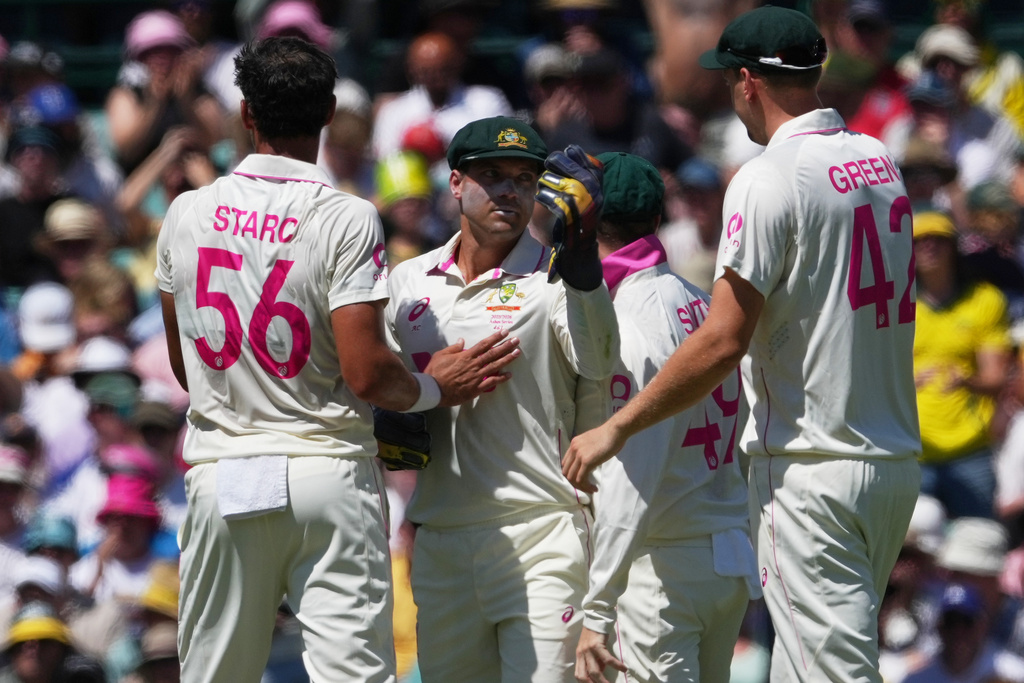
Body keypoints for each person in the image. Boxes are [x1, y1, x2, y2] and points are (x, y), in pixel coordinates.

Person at [562, 7, 922, 683]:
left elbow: (725, 339)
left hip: (811, 467)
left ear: (748, 80)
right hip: (891, 459)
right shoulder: (878, 159)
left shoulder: (764, 177)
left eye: (731, 81)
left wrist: (618, 425)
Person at [156, 37, 521, 683]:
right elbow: (368, 374)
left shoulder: (186, 213)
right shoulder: (347, 216)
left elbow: (188, 367)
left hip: (224, 473)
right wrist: (435, 386)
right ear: (328, 111)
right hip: (328, 471)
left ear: (246, 113)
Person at [384, 115, 619, 682]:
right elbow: (374, 398)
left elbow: (599, 361)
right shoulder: (407, 283)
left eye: (523, 177)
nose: (509, 190)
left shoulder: (557, 280)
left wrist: (582, 250)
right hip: (440, 538)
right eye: (492, 175)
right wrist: (427, 388)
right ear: (457, 183)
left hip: (540, 532)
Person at [571, 152, 759, 683]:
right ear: (656, 221)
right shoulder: (701, 303)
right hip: (722, 559)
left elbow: (636, 477)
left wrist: (598, 609)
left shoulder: (629, 322)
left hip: (662, 571)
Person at [912, 211, 1012, 519]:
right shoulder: (895, 307)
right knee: (909, 557)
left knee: (977, 544)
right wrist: (908, 380)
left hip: (969, 449)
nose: (929, 247)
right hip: (912, 449)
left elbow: (996, 378)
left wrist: (967, 380)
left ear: (954, 247)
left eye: (939, 239)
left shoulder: (985, 300)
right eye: (919, 241)